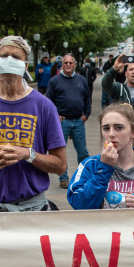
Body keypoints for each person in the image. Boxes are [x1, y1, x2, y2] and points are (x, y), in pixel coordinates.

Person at [0, 36, 66, 212]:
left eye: (16, 57)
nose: (9, 61)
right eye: (4, 56)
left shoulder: (44, 106)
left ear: (25, 66)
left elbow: (60, 165)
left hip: (33, 208)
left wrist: (27, 154)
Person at [68, 103, 134, 209]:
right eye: (106, 128)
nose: (111, 134)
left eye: (118, 128)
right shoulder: (89, 165)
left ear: (133, 132)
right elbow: (78, 204)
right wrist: (103, 168)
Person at [46, 54, 92, 189]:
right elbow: (49, 101)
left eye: (70, 63)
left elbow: (87, 99)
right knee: (60, 151)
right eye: (65, 62)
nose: (67, 65)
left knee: (83, 151)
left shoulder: (81, 80)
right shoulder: (55, 81)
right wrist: (55, 116)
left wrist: (86, 115)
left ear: (75, 65)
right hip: (62, 122)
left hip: (78, 121)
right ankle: (64, 178)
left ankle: (84, 176)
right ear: (62, 65)